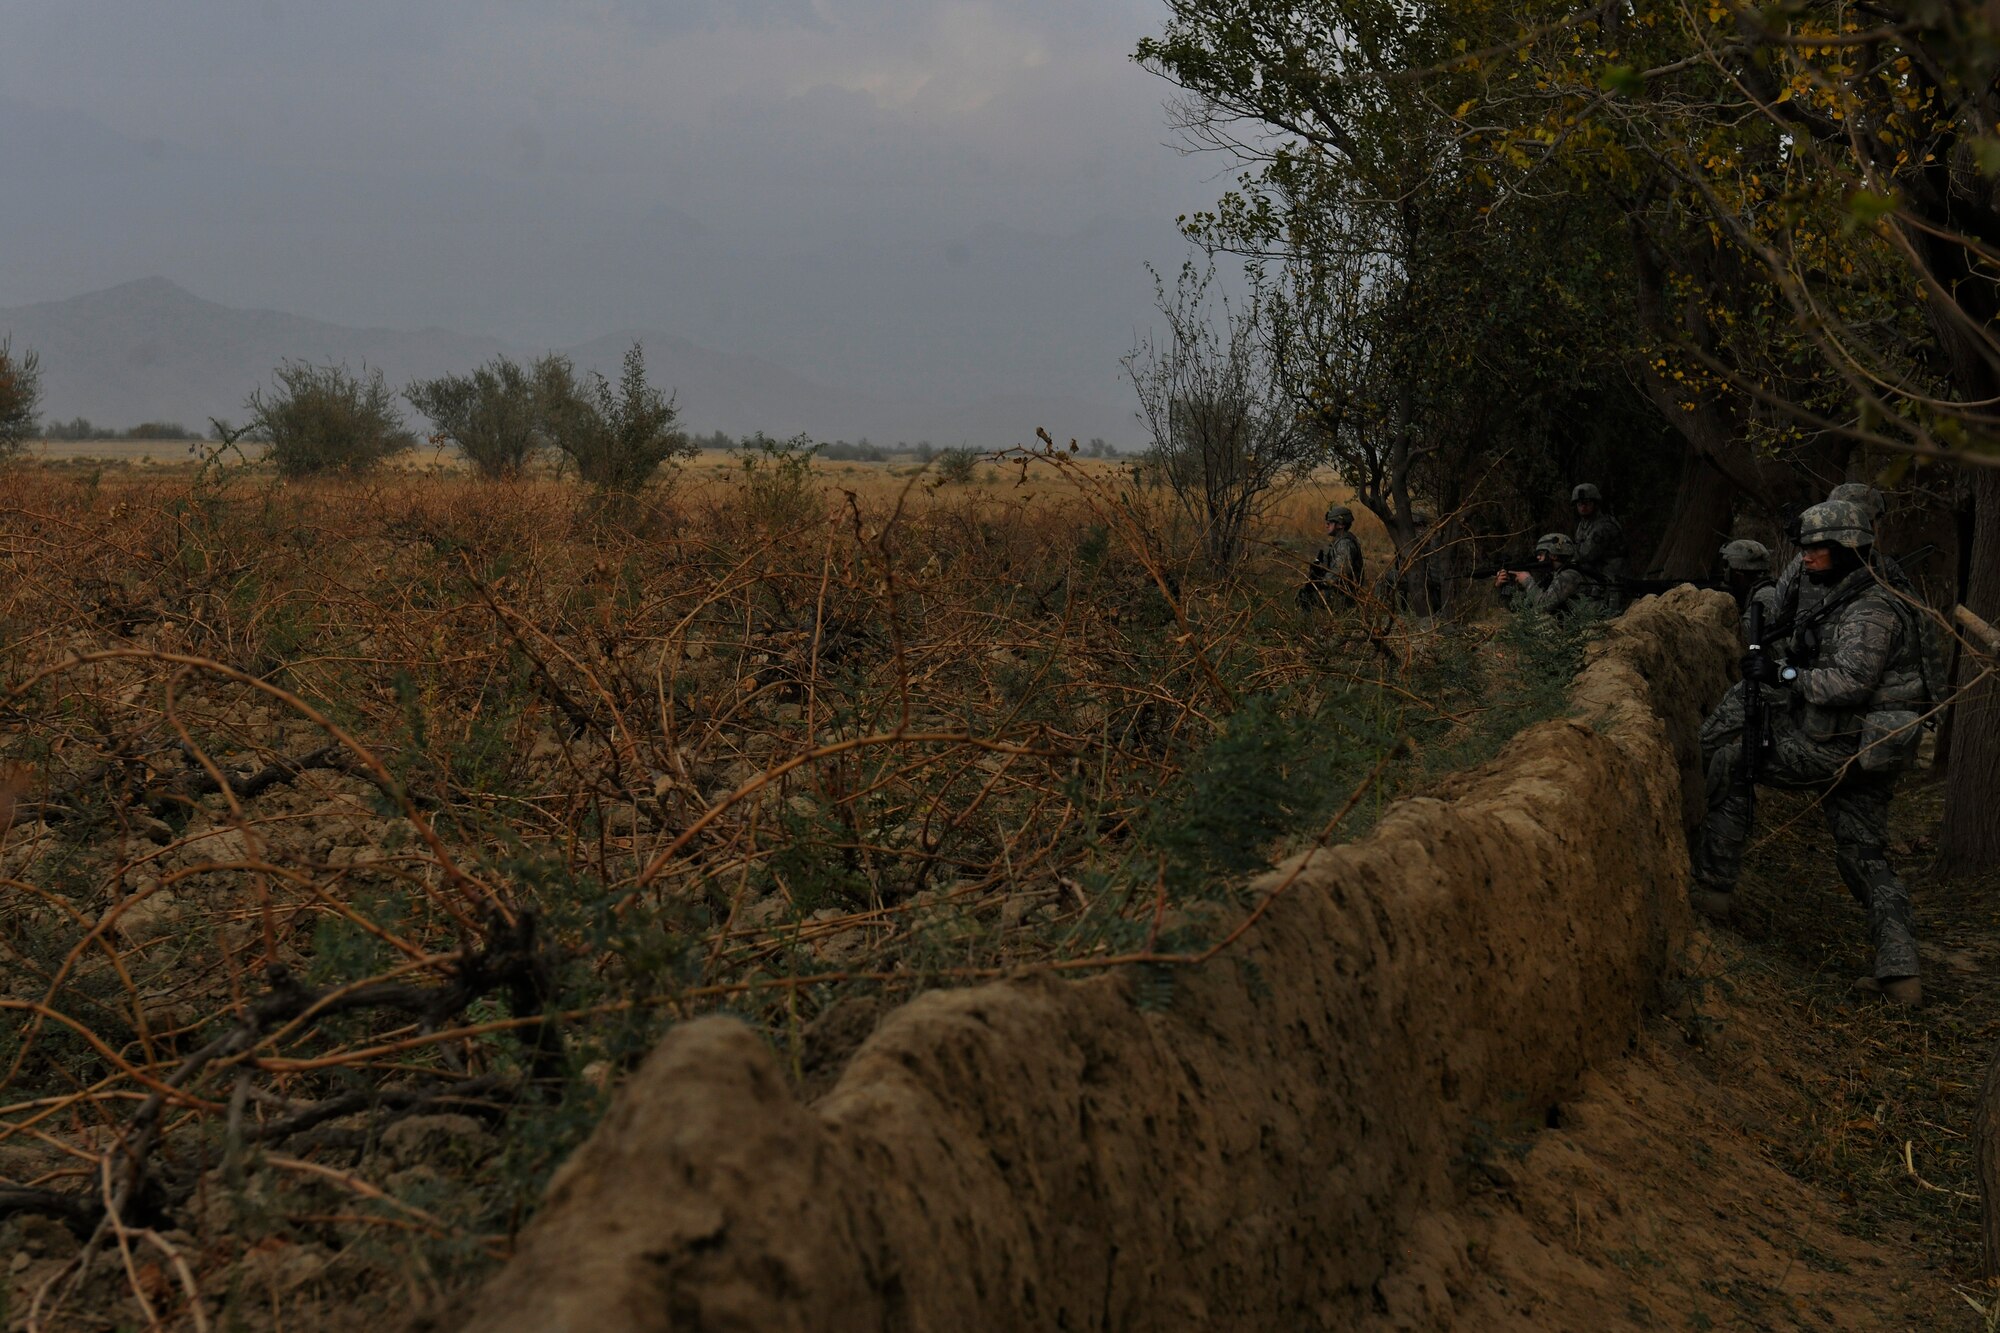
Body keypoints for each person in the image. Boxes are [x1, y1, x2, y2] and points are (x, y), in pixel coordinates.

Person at [1689, 499, 1926, 1006]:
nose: (1807, 555)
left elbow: (1849, 683)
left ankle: (1711, 892)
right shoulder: (1848, 592)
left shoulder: (1873, 608)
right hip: (1858, 747)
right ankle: (1901, 976)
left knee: (1734, 762)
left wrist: (1783, 675)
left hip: (1839, 747)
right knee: (1863, 854)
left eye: (1819, 547)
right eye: (1806, 546)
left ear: (1850, 548)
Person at [1495, 533, 1605, 616]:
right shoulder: (1553, 576)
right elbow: (1525, 606)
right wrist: (1504, 586)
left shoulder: (1569, 575)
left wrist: (1528, 581)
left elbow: (1543, 606)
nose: (1538, 558)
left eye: (1541, 554)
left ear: (1553, 555)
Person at [1571, 483, 1628, 613]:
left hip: (1611, 583)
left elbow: (1585, 555)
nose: (1583, 507)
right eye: (1580, 504)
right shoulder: (1583, 524)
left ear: (1595, 504)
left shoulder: (1604, 526)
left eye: (1587, 503)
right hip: (1597, 578)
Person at [1300, 504, 1364, 608]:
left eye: (1329, 523)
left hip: (1345, 595)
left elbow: (1341, 570)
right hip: (1339, 591)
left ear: (1340, 525)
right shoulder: (1338, 542)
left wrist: (1322, 582)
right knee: (1304, 594)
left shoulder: (1344, 544)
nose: (1326, 525)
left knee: (1306, 599)